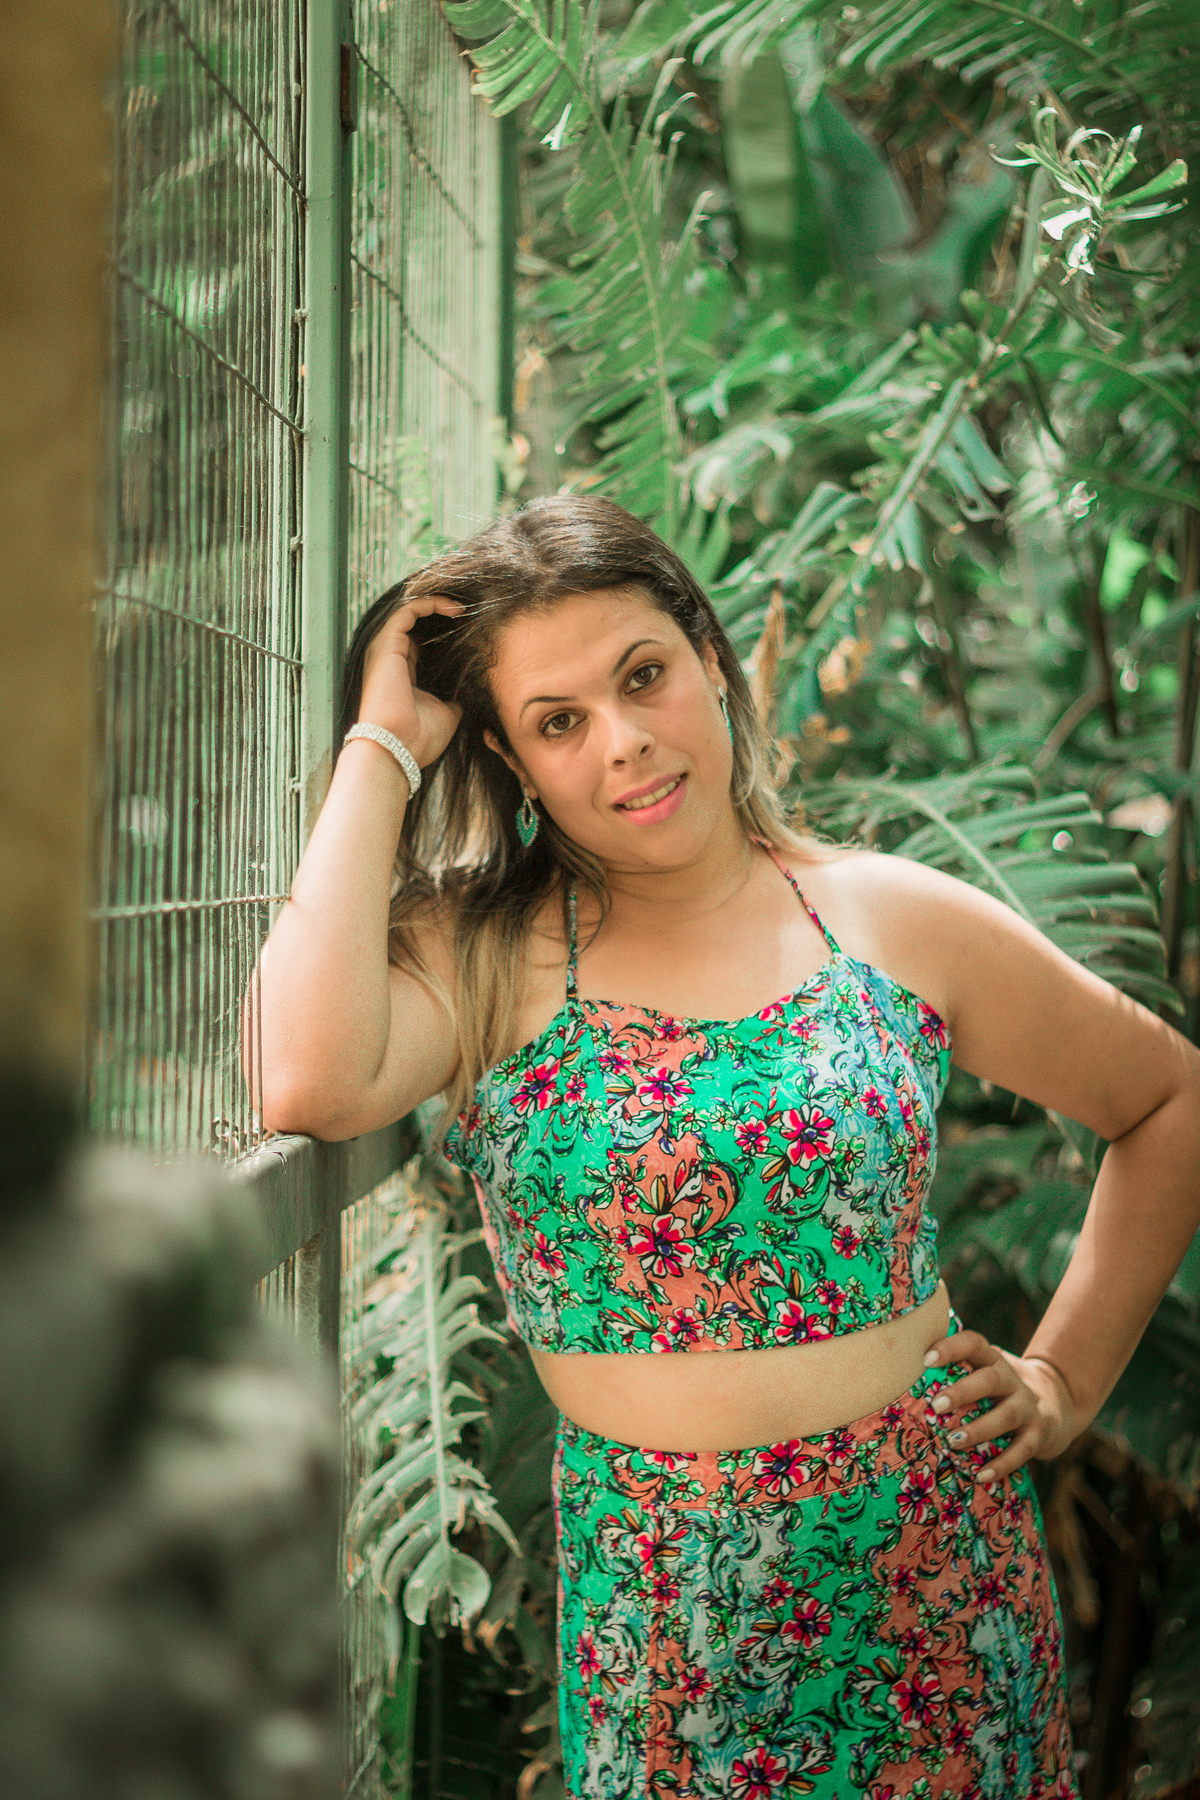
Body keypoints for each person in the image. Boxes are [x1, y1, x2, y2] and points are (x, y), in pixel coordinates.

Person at [252, 494, 1200, 1800]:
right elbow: (304, 1076)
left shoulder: (886, 918)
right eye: (558, 722)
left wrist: (1064, 1379)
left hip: (937, 1581)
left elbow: (1166, 1100)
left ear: (710, 657)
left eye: (643, 675)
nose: (624, 742)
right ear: (511, 758)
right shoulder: (487, 958)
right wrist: (382, 744)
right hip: (667, 1621)